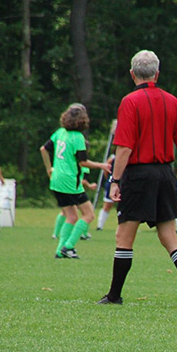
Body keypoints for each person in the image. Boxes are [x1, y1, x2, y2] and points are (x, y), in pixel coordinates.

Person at [97, 49, 177, 307]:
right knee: (169, 237)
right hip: (165, 174)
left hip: (138, 175)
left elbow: (124, 147)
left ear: (132, 74)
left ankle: (114, 296)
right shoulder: (172, 101)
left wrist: (115, 181)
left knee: (124, 237)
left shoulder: (129, 102)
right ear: (157, 74)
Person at [40, 103, 111, 259]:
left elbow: (43, 149)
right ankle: (69, 246)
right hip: (70, 181)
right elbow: (83, 162)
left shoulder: (60, 132)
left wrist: (49, 169)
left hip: (57, 180)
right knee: (89, 214)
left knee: (71, 216)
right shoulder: (78, 137)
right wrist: (102, 165)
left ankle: (60, 251)